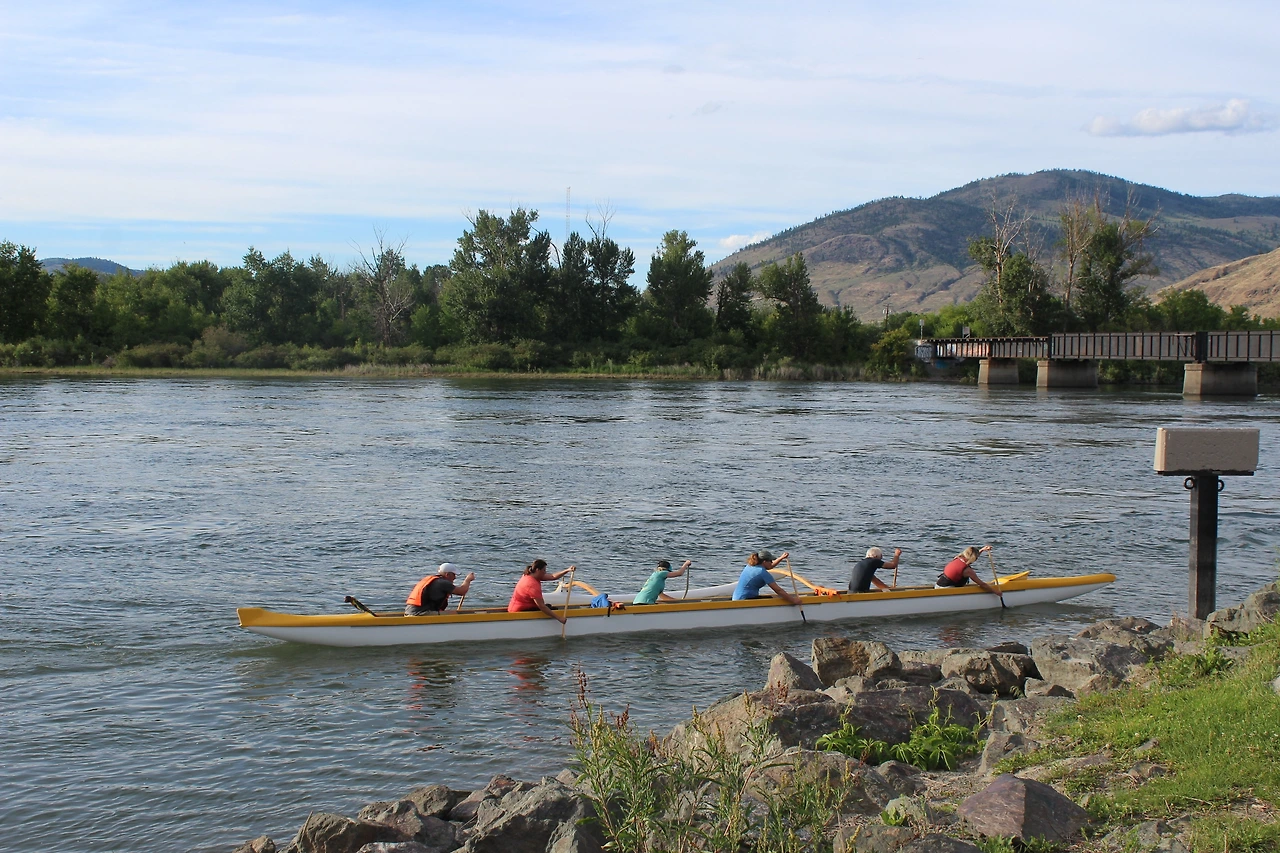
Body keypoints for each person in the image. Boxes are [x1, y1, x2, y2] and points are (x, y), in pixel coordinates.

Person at [507, 559, 575, 624]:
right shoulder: (532, 584)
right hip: (519, 612)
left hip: (515, 608)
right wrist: (559, 618)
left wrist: (567, 570)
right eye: (544, 570)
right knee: (552, 609)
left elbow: (552, 576)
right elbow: (541, 606)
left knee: (549, 606)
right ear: (537, 570)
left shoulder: (529, 575)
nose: (545, 572)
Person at [732, 550, 802, 604]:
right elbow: (778, 590)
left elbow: (770, 566)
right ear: (764, 562)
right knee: (775, 600)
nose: (771, 562)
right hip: (744, 600)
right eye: (770, 561)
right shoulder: (762, 572)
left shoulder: (750, 566)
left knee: (771, 597)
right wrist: (794, 600)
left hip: (736, 598)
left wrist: (781, 558)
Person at [404, 563, 475, 615]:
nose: (455, 577)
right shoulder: (442, 583)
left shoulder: (434, 580)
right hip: (420, 613)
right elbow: (462, 591)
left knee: (448, 612)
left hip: (410, 612)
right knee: (454, 614)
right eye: (454, 575)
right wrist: (468, 580)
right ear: (447, 575)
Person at [936, 545, 1002, 597]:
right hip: (946, 590)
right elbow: (982, 584)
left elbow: (971, 556)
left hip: (937, 586)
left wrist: (982, 549)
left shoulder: (958, 558)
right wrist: (996, 592)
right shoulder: (968, 571)